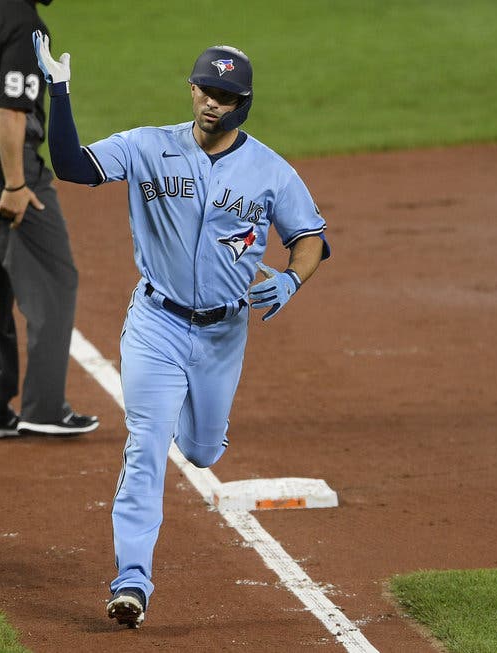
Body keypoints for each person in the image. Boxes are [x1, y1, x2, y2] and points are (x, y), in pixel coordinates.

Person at [32, 33, 331, 627]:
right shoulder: (147, 147)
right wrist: (58, 92)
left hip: (224, 336)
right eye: (206, 90)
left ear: (243, 103)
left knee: (199, 450)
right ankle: (132, 582)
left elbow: (310, 240)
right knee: (145, 446)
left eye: (227, 95)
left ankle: (199, 441)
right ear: (191, 90)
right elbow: (69, 166)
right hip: (156, 326)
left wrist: (294, 281)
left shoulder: (270, 169)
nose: (213, 103)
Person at [0, 0, 99, 440]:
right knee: (56, 279)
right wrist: (14, 184)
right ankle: (45, 408)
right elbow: (11, 109)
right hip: (1, 165)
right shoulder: (25, 24)